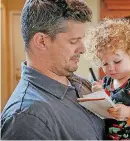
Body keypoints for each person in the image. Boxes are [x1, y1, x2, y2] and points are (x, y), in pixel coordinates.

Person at [1, 0, 104, 139]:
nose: (83, 49)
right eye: (73, 41)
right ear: (42, 41)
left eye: (82, 39)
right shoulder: (27, 118)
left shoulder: (81, 83)